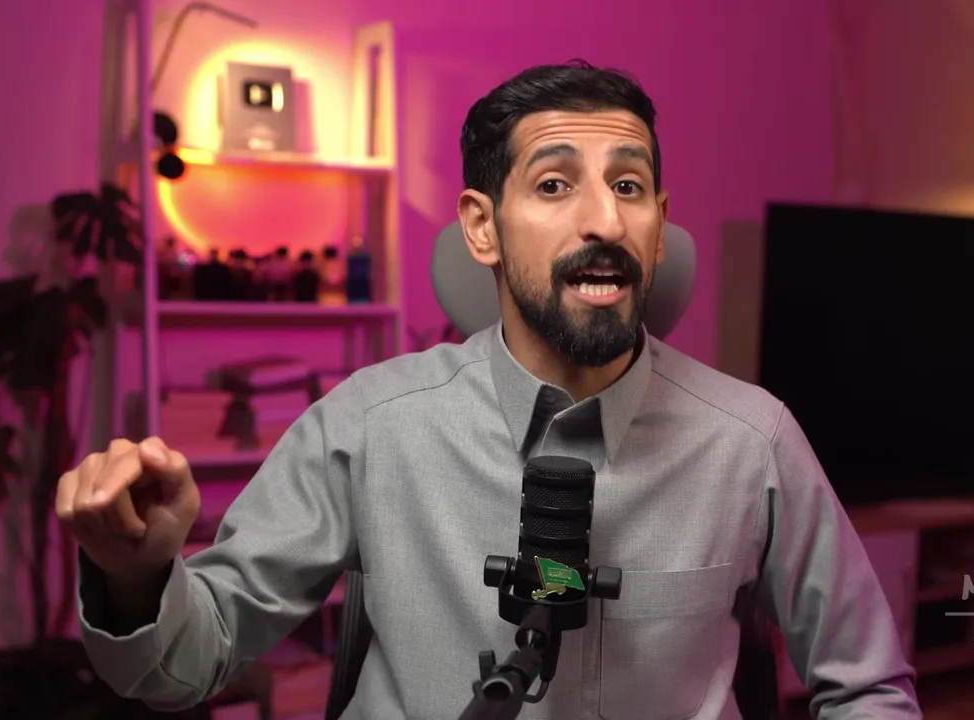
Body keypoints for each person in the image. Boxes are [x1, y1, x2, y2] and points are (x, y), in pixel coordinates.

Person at [58, 61, 921, 719]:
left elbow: (870, 685)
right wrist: (136, 576)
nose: (605, 221)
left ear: (660, 229)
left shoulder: (753, 440)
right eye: (554, 185)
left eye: (628, 187)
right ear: (482, 228)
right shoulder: (369, 426)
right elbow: (185, 664)